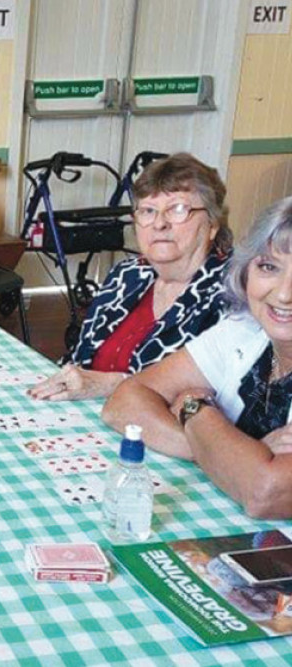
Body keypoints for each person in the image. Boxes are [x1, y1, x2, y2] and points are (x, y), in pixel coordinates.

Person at [103, 196, 292, 520]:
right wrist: (229, 456)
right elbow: (123, 402)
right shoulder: (244, 329)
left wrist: (194, 408)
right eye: (268, 266)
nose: (284, 293)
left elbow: (264, 493)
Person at [28, 153, 232, 401]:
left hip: (156, 432)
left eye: (178, 209)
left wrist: (115, 385)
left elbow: (214, 397)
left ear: (213, 224)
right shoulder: (127, 274)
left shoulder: (233, 294)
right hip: (84, 414)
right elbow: (79, 359)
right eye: (147, 210)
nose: (159, 223)